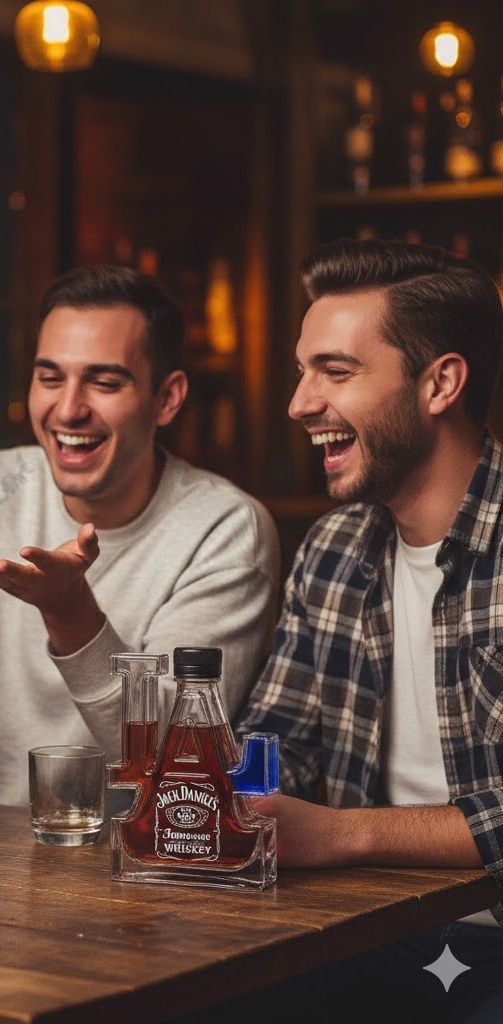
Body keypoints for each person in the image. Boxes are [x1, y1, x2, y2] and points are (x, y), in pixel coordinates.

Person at [0, 264, 281, 806]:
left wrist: (71, 614)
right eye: (50, 378)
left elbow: (175, 757)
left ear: (168, 398)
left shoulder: (226, 528)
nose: (68, 409)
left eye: (105, 382)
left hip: (138, 866)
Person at [232, 238, 503, 1023]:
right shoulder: (335, 547)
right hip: (369, 932)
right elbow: (274, 742)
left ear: (440, 383)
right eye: (302, 370)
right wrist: (203, 779)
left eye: (335, 372)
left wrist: (342, 836)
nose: (299, 403)